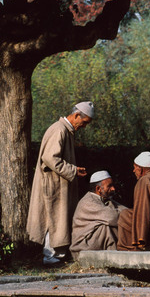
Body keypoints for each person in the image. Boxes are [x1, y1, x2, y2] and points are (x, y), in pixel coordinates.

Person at [26, 101, 94, 265]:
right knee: (53, 219)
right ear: (77, 115)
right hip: (53, 186)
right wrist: (72, 170)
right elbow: (49, 158)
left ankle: (55, 257)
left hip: (58, 185)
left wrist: (74, 170)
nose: (83, 127)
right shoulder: (59, 129)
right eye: (84, 122)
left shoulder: (64, 130)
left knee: (57, 219)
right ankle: (51, 257)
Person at [70, 170, 126, 258]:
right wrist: (120, 212)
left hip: (93, 243)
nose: (113, 189)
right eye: (109, 186)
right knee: (105, 227)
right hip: (82, 248)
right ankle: (114, 258)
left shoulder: (105, 199)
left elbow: (125, 211)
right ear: (98, 189)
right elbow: (113, 218)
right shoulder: (88, 202)